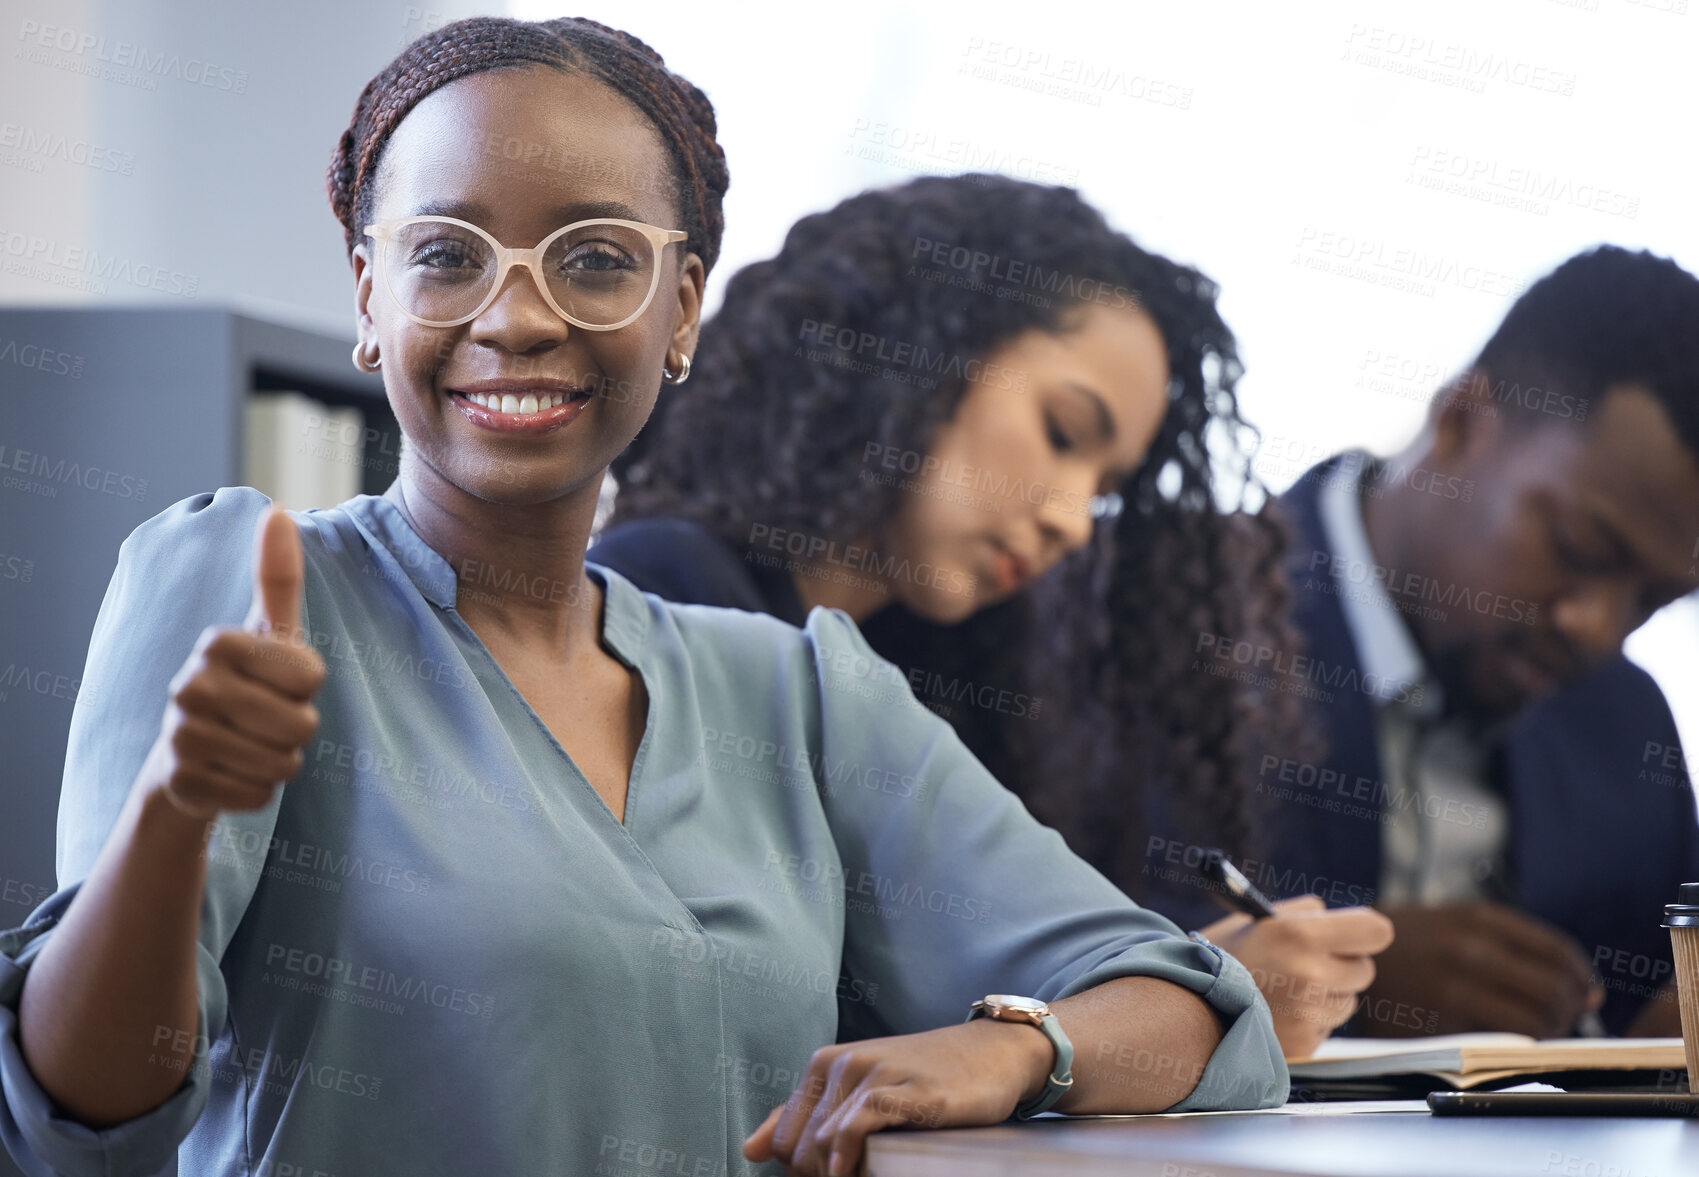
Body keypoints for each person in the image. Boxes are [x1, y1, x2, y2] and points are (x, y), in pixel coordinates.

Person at [0, 17, 1288, 1177]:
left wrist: (1016, 1049)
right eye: (446, 254)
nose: (517, 314)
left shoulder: (793, 692)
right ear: (369, 296)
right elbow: (80, 1111)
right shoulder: (246, 584)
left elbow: (1189, 1003)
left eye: (597, 260)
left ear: (681, 310)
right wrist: (174, 814)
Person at [591, 173, 1393, 1059]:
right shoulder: (663, 590)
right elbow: (778, 1015)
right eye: (1061, 432)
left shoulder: (920, 680)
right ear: (910, 353)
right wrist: (1194, 995)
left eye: (1105, 487)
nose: (1069, 516)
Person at [1226, 245, 1699, 1038]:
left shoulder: (1624, 719)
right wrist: (1335, 984)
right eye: (1579, 548)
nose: (1598, 628)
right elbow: (1024, 938)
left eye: (1655, 599)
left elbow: (1654, 999)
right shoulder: (1156, 610)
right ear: (1459, 424)